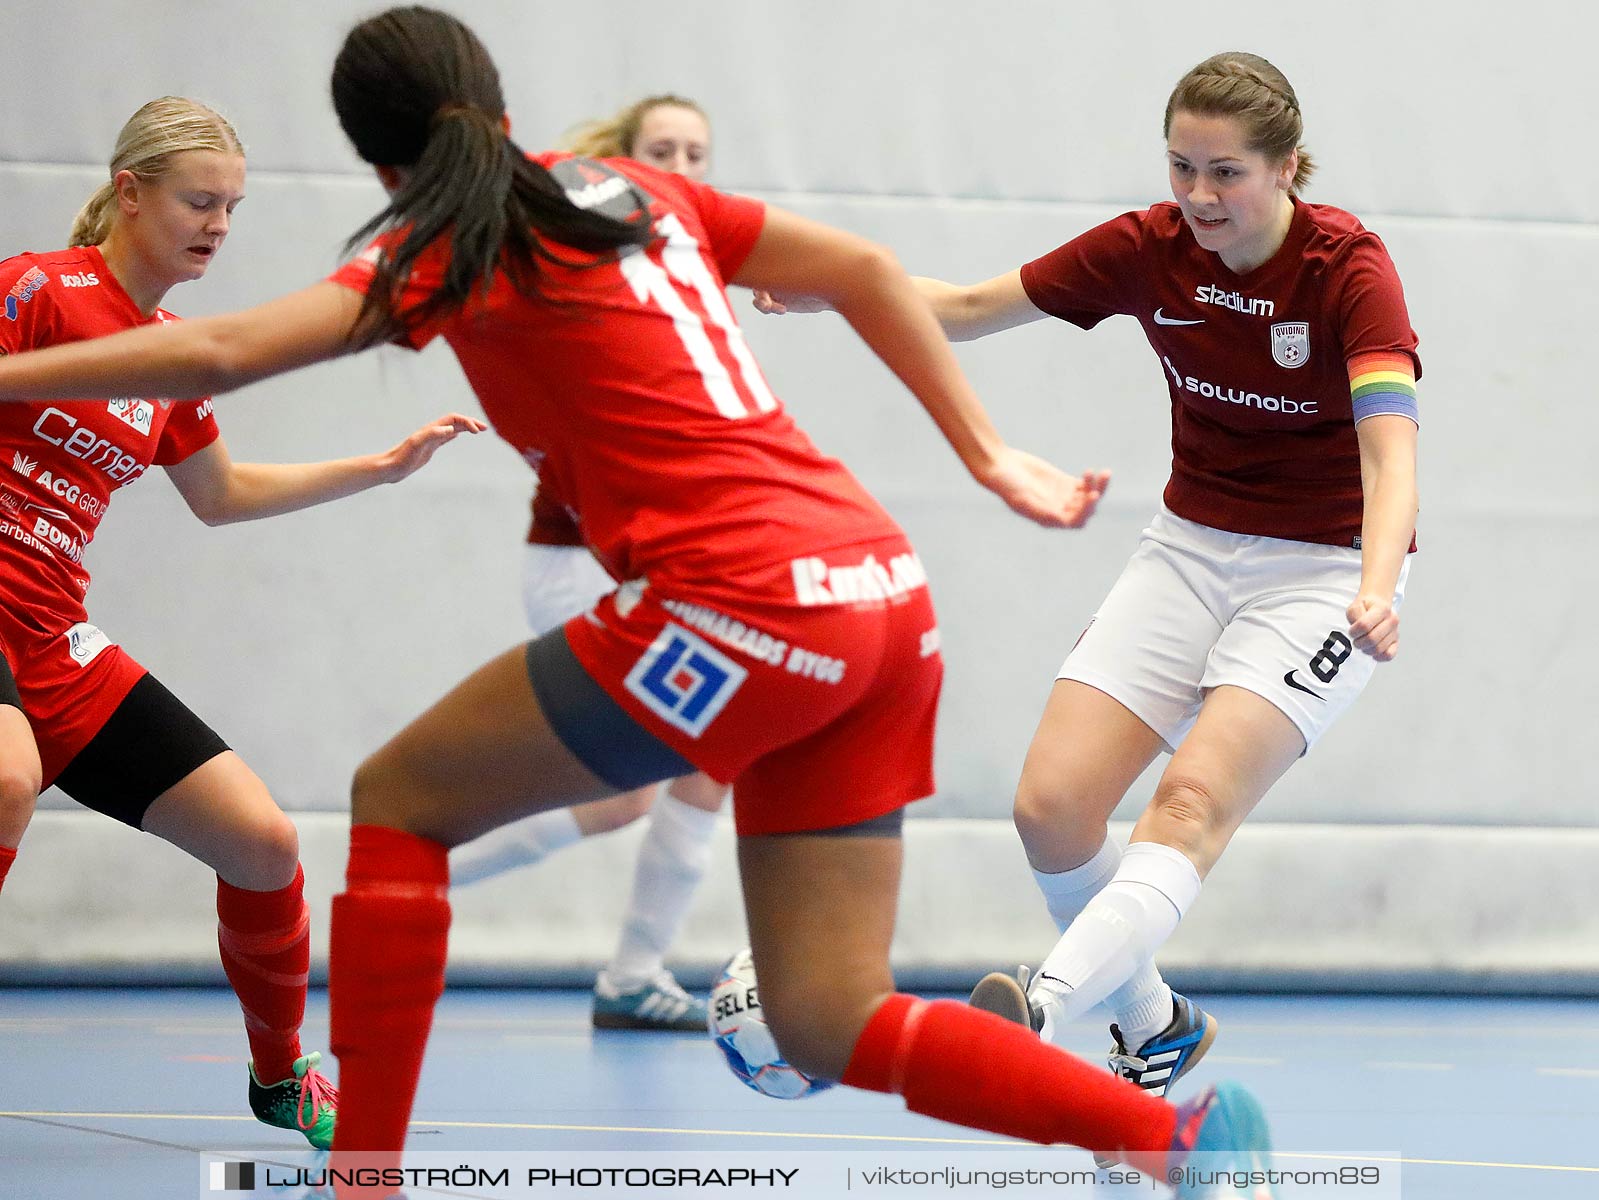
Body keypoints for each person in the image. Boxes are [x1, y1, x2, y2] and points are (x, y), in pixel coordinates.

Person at [0, 12, 1280, 1199]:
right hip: (883, 595)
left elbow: (218, 354)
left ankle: (365, 1179)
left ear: (376, 163)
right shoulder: (642, 192)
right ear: (494, 101)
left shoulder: (438, 242)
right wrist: (985, 452)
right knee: (830, 1015)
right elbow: (869, 268)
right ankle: (1166, 1140)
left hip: (743, 598)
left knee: (396, 804)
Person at [766, 50, 1419, 1102]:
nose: (1200, 196)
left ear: (1288, 166)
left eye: (1227, 173)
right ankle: (1153, 1025)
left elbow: (1393, 452)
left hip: (1323, 573)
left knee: (1191, 799)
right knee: (1051, 809)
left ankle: (1043, 1005)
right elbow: (974, 304)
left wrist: (1379, 583)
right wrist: (838, 289)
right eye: (1182, 168)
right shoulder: (1144, 249)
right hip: (1189, 547)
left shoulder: (1348, 270)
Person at [0, 95, 484, 1149]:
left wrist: (380, 466)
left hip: (51, 638)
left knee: (263, 842)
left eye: (234, 207)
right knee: (4, 778)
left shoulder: (171, 351)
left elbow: (220, 495)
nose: (218, 224)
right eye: (197, 200)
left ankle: (279, 1078)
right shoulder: (39, 287)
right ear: (129, 195)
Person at [450, 93, 726, 1033]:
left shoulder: (685, 270)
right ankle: (406, 876)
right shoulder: (596, 265)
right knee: (703, 760)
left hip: (641, 571)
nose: (681, 169)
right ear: (624, 162)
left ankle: (625, 973)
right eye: (662, 151)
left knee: (637, 796)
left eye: (697, 153)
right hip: (588, 569)